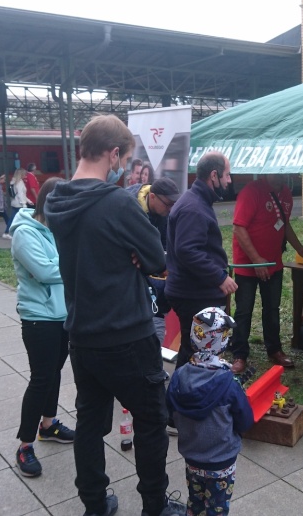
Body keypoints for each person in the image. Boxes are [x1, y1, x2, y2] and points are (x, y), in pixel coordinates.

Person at [45, 114, 184, 516]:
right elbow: (157, 258)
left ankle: (94, 504)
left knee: (90, 422)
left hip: (82, 336)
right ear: (113, 153)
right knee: (151, 421)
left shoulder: (57, 201)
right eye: (123, 157)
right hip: (128, 335)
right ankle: (154, 507)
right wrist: (133, 256)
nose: (123, 165)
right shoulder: (117, 203)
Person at [10, 177, 75, 478]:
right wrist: (75, 261)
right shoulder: (25, 233)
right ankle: (25, 444)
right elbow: (46, 271)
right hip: (39, 318)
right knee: (41, 379)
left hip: (63, 316)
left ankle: (48, 425)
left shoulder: (56, 230)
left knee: (55, 373)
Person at [166, 307, 253, 516]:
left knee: (195, 502)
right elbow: (246, 420)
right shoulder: (228, 382)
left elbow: (170, 415)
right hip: (222, 461)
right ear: (223, 342)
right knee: (217, 507)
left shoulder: (178, 377)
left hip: (192, 458)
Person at [230, 175, 303, 373]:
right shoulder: (251, 192)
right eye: (279, 171)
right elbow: (238, 228)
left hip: (273, 264)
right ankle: (239, 354)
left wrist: (300, 248)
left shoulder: (286, 193)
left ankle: (274, 350)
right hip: (248, 265)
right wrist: (256, 259)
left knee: (272, 308)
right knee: (244, 310)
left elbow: (284, 224)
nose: (283, 175)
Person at [165, 151, 237, 371]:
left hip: (194, 291)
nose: (229, 180)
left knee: (194, 351)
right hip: (194, 294)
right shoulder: (193, 207)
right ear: (213, 176)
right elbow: (187, 250)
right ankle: (186, 399)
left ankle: (186, 397)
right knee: (197, 354)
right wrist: (219, 277)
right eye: (227, 175)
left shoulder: (198, 201)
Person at [126, 176, 182, 343]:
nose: (171, 209)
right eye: (168, 204)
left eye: (174, 204)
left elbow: (164, 247)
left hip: (150, 280)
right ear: (151, 196)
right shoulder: (128, 206)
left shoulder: (164, 211)